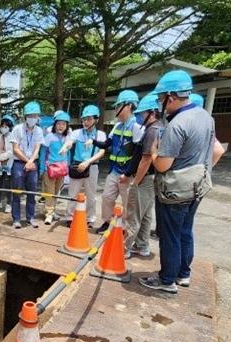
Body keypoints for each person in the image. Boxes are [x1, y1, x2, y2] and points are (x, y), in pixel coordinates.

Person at [139, 70, 225, 294]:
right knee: (185, 231)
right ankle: (183, 274)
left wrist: (155, 152)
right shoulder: (205, 116)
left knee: (169, 235)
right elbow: (216, 150)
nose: (161, 104)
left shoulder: (177, 125)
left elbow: (162, 166)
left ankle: (167, 280)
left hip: (175, 190)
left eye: (161, 99)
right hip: (198, 186)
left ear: (172, 96)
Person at [94, 90, 145, 234]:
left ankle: (124, 229)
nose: (115, 109)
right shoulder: (118, 126)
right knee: (107, 197)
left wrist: (129, 173)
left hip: (127, 173)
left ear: (128, 106)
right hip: (114, 169)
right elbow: (106, 144)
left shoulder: (137, 127)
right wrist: (93, 141)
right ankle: (107, 221)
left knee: (127, 202)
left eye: (118, 106)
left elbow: (138, 153)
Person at [123, 93, 162, 259]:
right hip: (153, 178)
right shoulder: (160, 127)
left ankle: (124, 249)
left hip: (144, 178)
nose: (139, 117)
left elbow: (145, 160)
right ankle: (142, 245)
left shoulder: (152, 131)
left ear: (151, 113)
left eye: (141, 113)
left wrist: (135, 182)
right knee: (146, 214)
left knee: (134, 215)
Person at [61, 105, 106, 227]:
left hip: (92, 167)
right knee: (73, 193)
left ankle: (89, 218)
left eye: (89, 119)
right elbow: (70, 142)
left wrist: (88, 162)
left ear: (96, 119)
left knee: (91, 194)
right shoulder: (77, 133)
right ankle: (70, 217)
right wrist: (65, 147)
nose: (86, 122)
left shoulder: (100, 135)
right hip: (77, 166)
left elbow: (102, 152)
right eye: (84, 119)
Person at [9, 101, 45, 228]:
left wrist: (31, 161)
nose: (33, 118)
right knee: (17, 191)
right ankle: (16, 219)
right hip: (19, 163)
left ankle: (30, 217)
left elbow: (37, 148)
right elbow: (15, 149)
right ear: (25, 117)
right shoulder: (17, 129)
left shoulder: (39, 131)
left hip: (32, 162)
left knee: (32, 192)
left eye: (35, 115)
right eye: (30, 115)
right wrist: (27, 161)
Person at [41, 111, 71, 225]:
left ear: (66, 126)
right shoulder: (49, 136)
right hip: (50, 168)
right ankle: (48, 214)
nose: (61, 126)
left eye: (63, 124)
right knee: (50, 191)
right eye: (58, 124)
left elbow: (68, 154)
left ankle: (52, 211)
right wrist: (42, 168)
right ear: (55, 125)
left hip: (62, 168)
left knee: (57, 192)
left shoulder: (68, 137)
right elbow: (43, 153)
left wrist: (67, 167)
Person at [0, 115, 15, 213]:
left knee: (8, 183)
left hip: (8, 163)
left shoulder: (13, 137)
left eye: (6, 126)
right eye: (2, 126)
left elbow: (11, 152)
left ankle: (9, 203)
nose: (4, 128)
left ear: (10, 127)